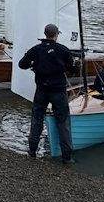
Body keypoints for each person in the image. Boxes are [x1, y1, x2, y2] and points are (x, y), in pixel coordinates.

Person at [18, 23, 76, 163]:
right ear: (56, 35)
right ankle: (66, 157)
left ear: (45, 34)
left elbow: (22, 64)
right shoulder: (63, 49)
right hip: (58, 90)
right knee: (63, 122)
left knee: (37, 119)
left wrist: (33, 65)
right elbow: (72, 68)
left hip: (42, 90)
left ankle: (32, 151)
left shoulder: (36, 49)